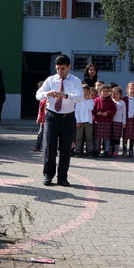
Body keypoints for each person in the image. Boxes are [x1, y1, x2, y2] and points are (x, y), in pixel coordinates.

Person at [36, 54, 83, 187]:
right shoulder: (50, 80)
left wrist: (66, 96)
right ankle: (48, 175)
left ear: (69, 67)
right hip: (52, 116)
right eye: (57, 69)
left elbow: (80, 97)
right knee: (49, 147)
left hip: (68, 117)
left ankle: (62, 177)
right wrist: (47, 94)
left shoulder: (75, 81)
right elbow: (38, 95)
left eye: (62, 68)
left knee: (65, 148)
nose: (60, 71)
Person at [74, 86, 95, 157]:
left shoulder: (91, 101)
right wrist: (78, 121)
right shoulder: (78, 101)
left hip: (88, 121)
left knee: (89, 137)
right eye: (84, 92)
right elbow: (77, 112)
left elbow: (90, 108)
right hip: (80, 121)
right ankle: (78, 151)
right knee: (79, 137)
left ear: (89, 93)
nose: (85, 94)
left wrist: (88, 100)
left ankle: (89, 151)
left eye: (87, 92)